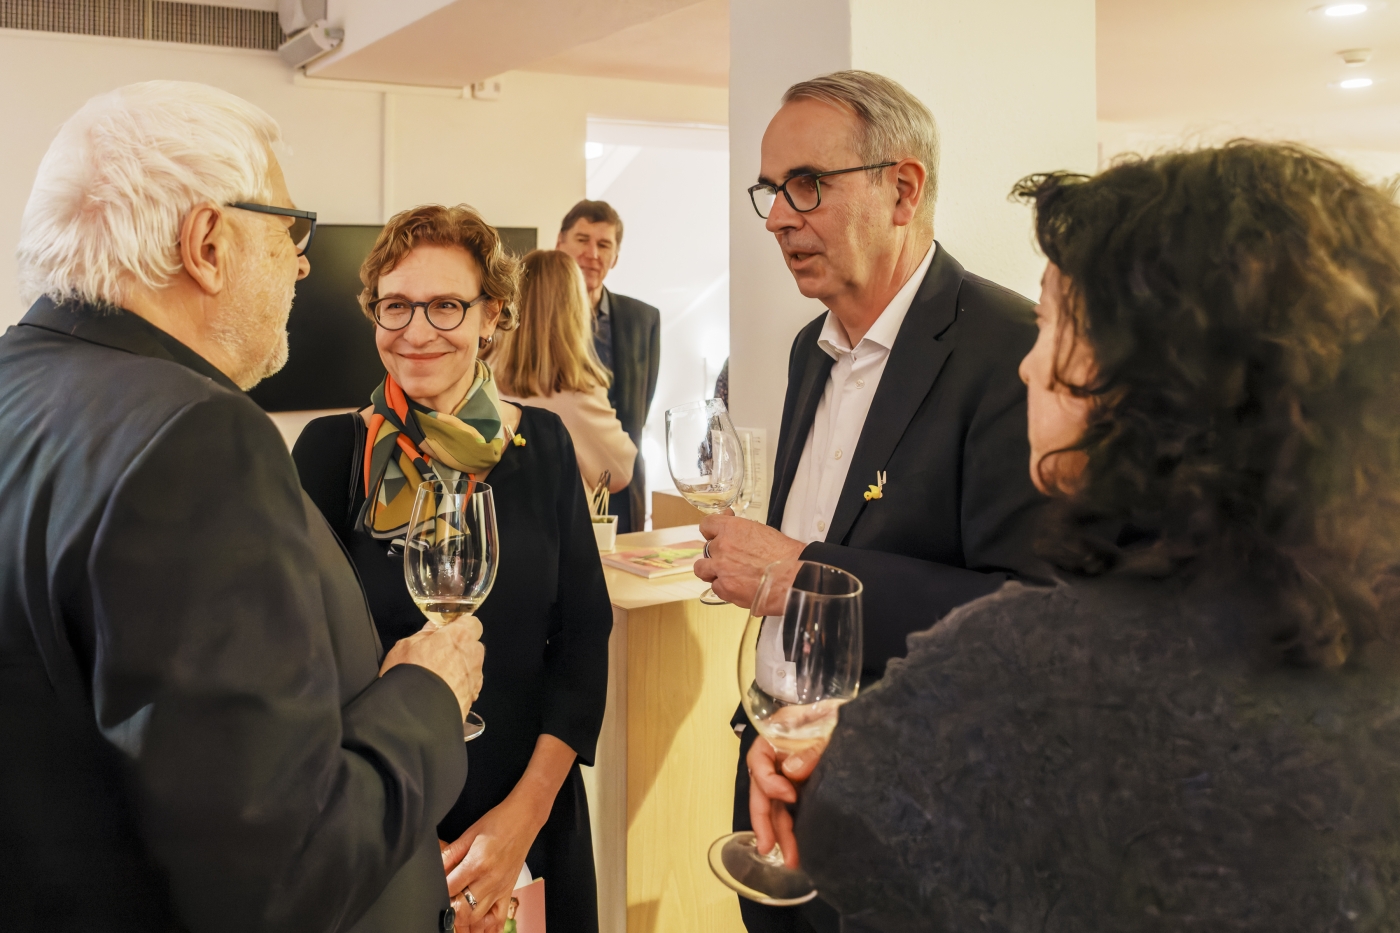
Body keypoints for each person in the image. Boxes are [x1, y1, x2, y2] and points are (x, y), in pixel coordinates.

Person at [760, 143, 1400, 931]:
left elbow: (858, 848)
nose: (1028, 367)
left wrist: (856, 757)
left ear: (1151, 371)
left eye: (1055, 322)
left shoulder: (1012, 669)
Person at [0, 81, 482, 933]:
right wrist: (425, 695)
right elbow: (279, 875)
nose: (302, 263)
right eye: (290, 232)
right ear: (209, 243)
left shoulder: (22, 389)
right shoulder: (194, 437)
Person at [694, 70, 1048, 933]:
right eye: (771, 190)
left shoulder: (1009, 350)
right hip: (775, 774)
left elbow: (1033, 611)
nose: (779, 215)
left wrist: (802, 572)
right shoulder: (806, 351)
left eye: (807, 185)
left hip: (913, 807)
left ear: (903, 189)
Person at [292, 205, 612, 933]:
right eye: (394, 305)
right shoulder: (330, 454)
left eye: (445, 305)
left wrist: (518, 826)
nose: (415, 329)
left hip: (531, 820)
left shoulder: (548, 447)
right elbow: (301, 664)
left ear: (491, 315)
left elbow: (583, 643)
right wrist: (413, 844)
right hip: (384, 817)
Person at [487, 249, 635, 502]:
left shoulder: (481, 378)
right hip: (558, 536)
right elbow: (619, 472)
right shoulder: (578, 396)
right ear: (574, 312)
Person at [556, 199, 659, 532]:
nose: (593, 253)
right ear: (560, 244)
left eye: (604, 245)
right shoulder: (530, 319)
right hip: (554, 487)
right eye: (582, 240)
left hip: (621, 488)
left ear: (615, 257)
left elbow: (639, 410)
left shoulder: (643, 319)